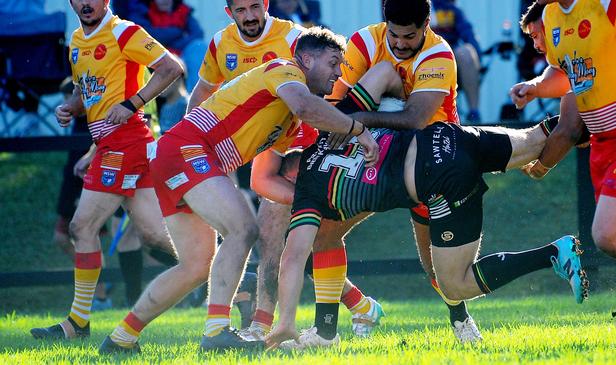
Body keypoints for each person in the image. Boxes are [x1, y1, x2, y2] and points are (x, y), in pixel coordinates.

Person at [96, 26, 379, 354]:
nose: (338, 72)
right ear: (305, 59)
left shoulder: (290, 117)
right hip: (188, 151)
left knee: (195, 267)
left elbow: (294, 156)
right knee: (243, 228)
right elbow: (304, 107)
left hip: (177, 157)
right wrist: (358, 129)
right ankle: (216, 333)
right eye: (333, 62)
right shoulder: (284, 70)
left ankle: (120, 339)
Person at [266, 93, 589, 350]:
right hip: (448, 135)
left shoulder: (307, 194)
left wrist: (284, 322)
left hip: (440, 179)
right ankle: (600, 112)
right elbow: (382, 78)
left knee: (455, 283)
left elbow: (294, 257)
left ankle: (552, 253)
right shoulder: (331, 129)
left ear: (288, 175)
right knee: (536, 138)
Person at [188, 0, 380, 340]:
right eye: (240, 10)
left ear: (265, 4)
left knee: (278, 235)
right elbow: (204, 92)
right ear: (228, 11)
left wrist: (349, 127)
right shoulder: (221, 43)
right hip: (267, 143)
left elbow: (332, 83)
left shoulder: (293, 37)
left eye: (254, 7)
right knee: (291, 239)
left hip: (301, 143)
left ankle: (263, 325)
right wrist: (196, 141)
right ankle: (359, 306)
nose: (249, 16)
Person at [325, 0, 482, 343]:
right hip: (374, 156)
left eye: (408, 36)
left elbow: (414, 119)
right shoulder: (365, 42)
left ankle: (460, 317)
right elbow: (334, 104)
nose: (399, 43)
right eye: (393, 34)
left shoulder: (439, 53)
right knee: (319, 233)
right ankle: (338, 321)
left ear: (426, 23)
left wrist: (359, 120)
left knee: (436, 267)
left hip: (433, 164)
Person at [30, 0, 183, 340]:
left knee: (81, 225)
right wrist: (70, 107)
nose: (86, 3)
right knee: (154, 236)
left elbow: (171, 68)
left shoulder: (123, 31)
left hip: (126, 143)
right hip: (112, 144)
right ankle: (221, 270)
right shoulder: (76, 41)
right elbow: (89, 93)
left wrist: (132, 104)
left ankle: (77, 323)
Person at [511, 0, 616, 297]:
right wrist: (535, 88)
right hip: (602, 146)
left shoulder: (611, 4)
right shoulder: (551, 15)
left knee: (608, 236)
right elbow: (563, 73)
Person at [130, 0, 207, 90]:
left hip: (180, 57)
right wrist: (177, 32)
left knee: (199, 47)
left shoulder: (182, 10)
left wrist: (174, 44)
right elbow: (147, 35)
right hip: (156, 58)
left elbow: (198, 33)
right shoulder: (142, 11)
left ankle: (195, 97)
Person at [430, 0, 483, 123]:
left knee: (467, 52)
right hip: (424, 58)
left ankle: (474, 114)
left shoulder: (450, 9)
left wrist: (477, 56)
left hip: (450, 56)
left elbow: (468, 35)